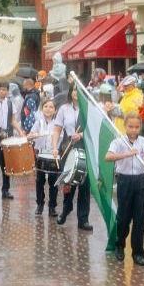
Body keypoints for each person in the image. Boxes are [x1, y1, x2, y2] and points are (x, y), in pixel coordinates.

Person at [107, 113, 144, 265]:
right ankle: (119, 246)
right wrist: (127, 154)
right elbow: (108, 157)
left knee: (139, 218)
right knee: (123, 217)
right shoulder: (118, 142)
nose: (134, 130)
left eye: (136, 127)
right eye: (130, 126)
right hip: (125, 180)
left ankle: (138, 253)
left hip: (142, 181)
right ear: (125, 126)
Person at [55, 82, 93, 231]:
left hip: (85, 148)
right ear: (70, 92)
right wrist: (54, 147)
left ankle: (83, 219)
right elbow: (57, 129)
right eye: (74, 90)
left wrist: (82, 135)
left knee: (84, 184)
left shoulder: (89, 110)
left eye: (79, 90)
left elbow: (93, 130)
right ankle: (66, 208)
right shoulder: (63, 109)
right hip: (68, 148)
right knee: (68, 182)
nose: (76, 93)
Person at [33, 98, 62, 216]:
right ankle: (40, 204)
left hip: (54, 155)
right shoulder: (38, 122)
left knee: (53, 182)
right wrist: (32, 135)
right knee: (39, 181)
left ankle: (52, 207)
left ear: (55, 110)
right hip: (41, 154)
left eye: (51, 107)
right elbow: (31, 134)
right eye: (45, 106)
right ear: (42, 108)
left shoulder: (58, 124)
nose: (48, 109)